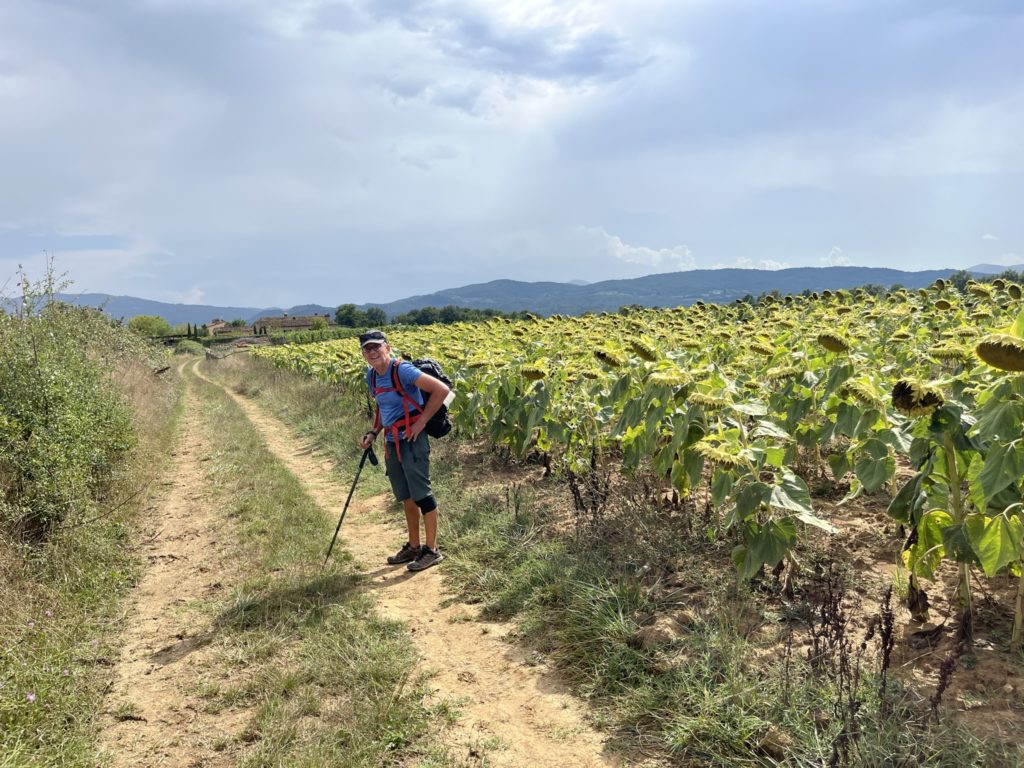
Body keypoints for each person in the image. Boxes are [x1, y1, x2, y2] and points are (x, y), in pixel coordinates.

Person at [357, 329, 450, 571]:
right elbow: (381, 406)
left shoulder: (402, 370)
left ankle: (432, 550)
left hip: (412, 438)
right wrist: (374, 432)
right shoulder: (372, 377)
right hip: (391, 440)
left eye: (377, 346)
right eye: (367, 348)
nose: (373, 351)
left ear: (387, 347)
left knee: (422, 494)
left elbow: (441, 390)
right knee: (406, 496)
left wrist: (420, 423)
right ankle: (413, 547)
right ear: (363, 354)